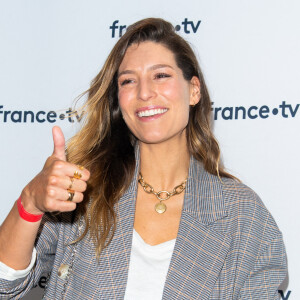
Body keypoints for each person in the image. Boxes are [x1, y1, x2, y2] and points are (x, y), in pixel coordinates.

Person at [0, 18, 287, 300]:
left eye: (161, 75)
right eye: (128, 81)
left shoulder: (242, 214)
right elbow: (5, 285)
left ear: (194, 90)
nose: (145, 92)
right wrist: (30, 203)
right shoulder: (81, 189)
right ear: (118, 100)